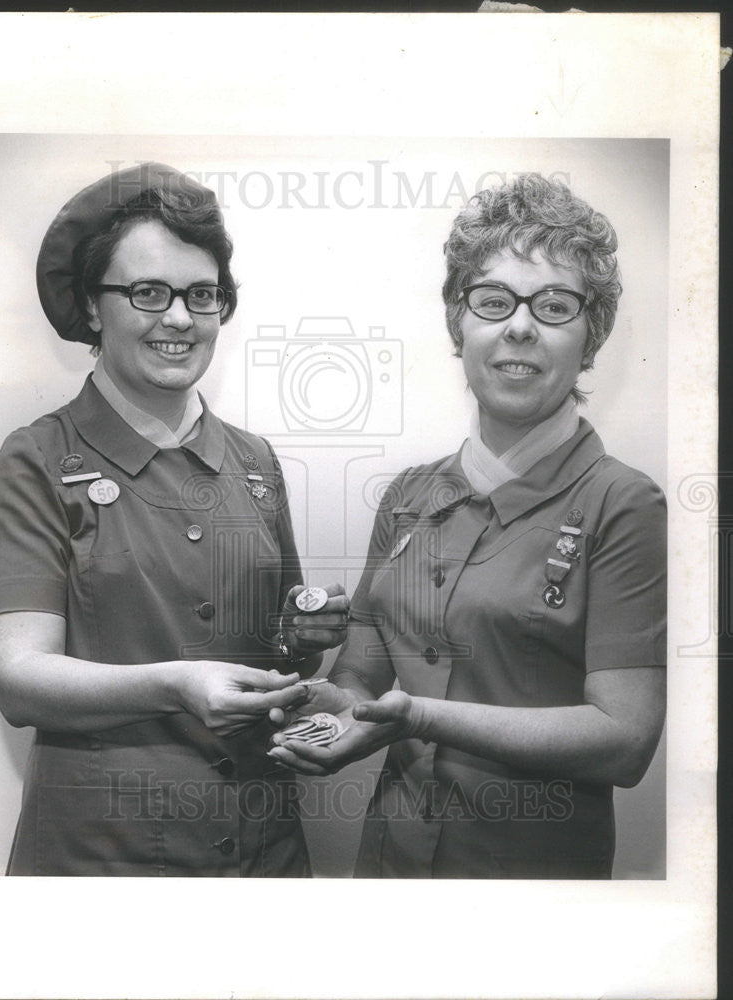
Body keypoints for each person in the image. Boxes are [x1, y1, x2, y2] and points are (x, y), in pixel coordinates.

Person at [269, 174, 666, 879]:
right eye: (493, 301)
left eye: (553, 305)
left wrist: (418, 716)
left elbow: (624, 740)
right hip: (390, 869)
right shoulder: (406, 497)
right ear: (460, 323)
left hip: (534, 892)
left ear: (592, 335)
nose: (519, 326)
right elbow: (362, 679)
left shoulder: (624, 505)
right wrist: (331, 708)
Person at [0, 162, 348, 876]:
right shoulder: (38, 458)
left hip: (259, 852)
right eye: (148, 292)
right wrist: (175, 683)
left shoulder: (255, 461)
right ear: (91, 307)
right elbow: (18, 679)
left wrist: (304, 638)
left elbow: (278, 656)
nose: (179, 318)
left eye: (201, 295)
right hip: (100, 860)